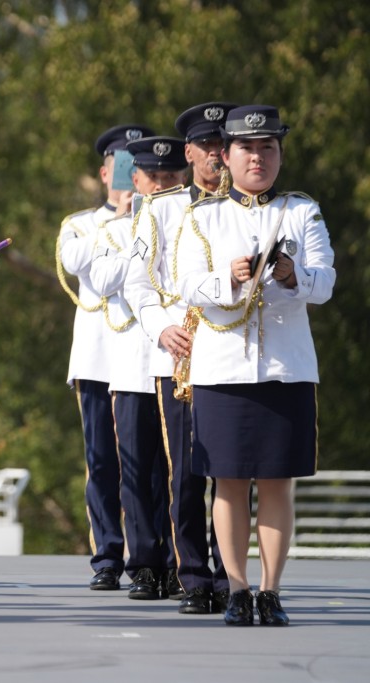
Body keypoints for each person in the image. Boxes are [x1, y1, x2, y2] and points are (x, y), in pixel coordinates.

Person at [177, 105, 335, 626]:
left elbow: (326, 283)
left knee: (276, 481)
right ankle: (237, 590)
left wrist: (292, 276)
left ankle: (270, 590)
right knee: (226, 480)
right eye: (248, 148)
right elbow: (188, 285)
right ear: (226, 155)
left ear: (280, 154)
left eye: (269, 148)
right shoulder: (204, 215)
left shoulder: (301, 211)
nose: (259, 158)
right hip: (223, 368)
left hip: (286, 366)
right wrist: (230, 278)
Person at [123, 102, 237, 614]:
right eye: (206, 146)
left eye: (222, 144)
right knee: (186, 472)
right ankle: (194, 575)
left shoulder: (246, 207)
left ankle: (232, 573)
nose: (216, 154)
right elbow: (138, 284)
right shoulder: (162, 208)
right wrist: (161, 328)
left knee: (233, 472)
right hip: (182, 354)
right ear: (188, 152)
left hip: (235, 353)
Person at [91, 135, 190, 600]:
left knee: (178, 469)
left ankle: (179, 561)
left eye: (172, 179)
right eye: (156, 179)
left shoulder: (195, 219)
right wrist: (135, 228)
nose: (164, 187)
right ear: (138, 179)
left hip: (179, 360)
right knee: (134, 467)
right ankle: (145, 563)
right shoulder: (110, 228)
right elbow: (106, 280)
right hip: (132, 362)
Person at [56, 123, 154, 591]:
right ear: (104, 171)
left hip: (144, 357)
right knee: (103, 462)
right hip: (98, 361)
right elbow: (86, 269)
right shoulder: (79, 225)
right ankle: (107, 557)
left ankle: (152, 556)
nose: (130, 172)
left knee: (152, 461)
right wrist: (121, 217)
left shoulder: (163, 217)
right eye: (122, 164)